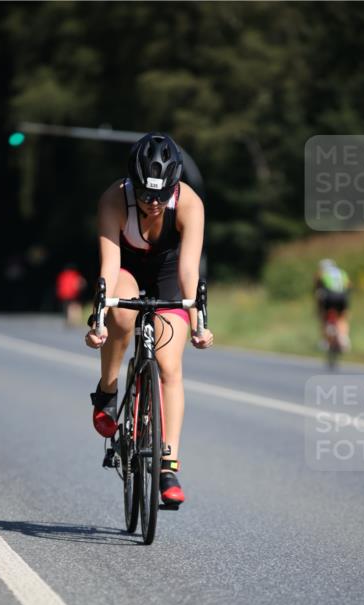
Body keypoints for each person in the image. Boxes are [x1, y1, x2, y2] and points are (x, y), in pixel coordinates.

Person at [85, 132, 213, 507]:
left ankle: (167, 466)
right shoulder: (113, 199)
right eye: (145, 194)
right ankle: (107, 390)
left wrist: (199, 321)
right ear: (132, 183)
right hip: (127, 266)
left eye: (161, 195)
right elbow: (108, 267)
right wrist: (99, 320)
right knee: (122, 317)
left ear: (174, 185)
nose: (153, 203)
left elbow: (190, 271)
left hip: (170, 271)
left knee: (169, 364)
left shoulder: (189, 203)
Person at [314, 258, 351, 351]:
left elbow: (317, 290)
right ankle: (344, 339)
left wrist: (318, 307)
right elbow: (349, 285)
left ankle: (325, 341)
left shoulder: (322, 273)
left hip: (329, 298)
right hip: (342, 297)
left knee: (323, 316)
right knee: (342, 317)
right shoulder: (342, 272)